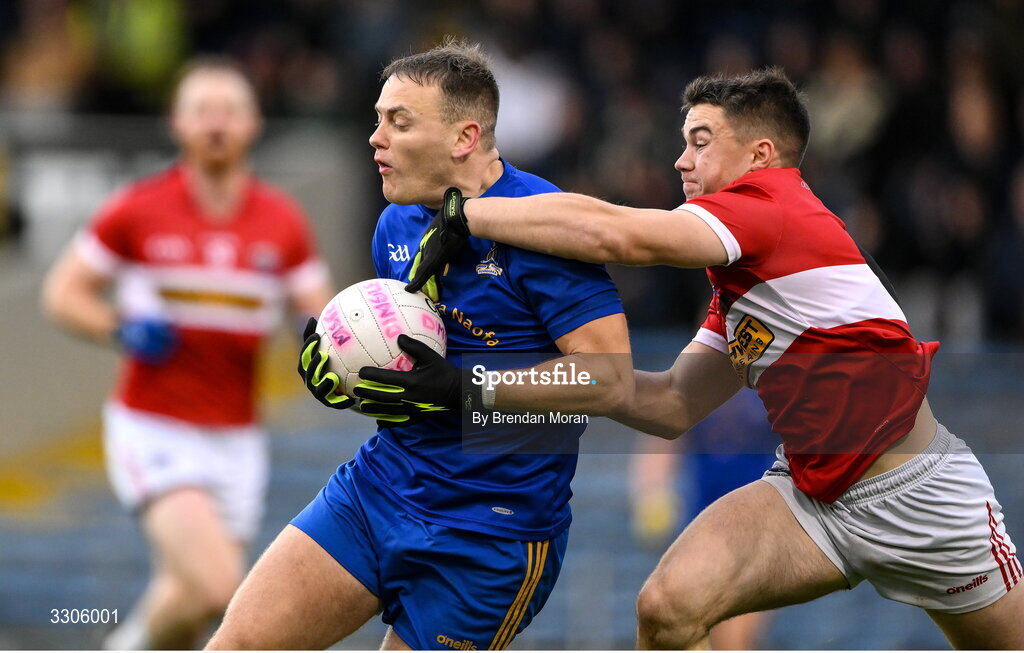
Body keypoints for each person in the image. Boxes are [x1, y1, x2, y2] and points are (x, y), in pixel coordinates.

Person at [400, 67, 1024, 649]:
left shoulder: (774, 205)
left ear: (760, 156)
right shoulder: (748, 287)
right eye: (683, 142)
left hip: (921, 497)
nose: (681, 160)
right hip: (812, 496)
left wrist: (465, 214)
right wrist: (470, 387)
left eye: (700, 141)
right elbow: (667, 404)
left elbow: (619, 233)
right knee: (667, 605)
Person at [205, 40, 631, 650]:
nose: (375, 138)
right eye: (377, 119)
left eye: (398, 123)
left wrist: (465, 391)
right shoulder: (398, 222)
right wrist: (346, 367)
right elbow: (414, 373)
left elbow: (608, 381)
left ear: (464, 137)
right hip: (380, 489)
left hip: (491, 533)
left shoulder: (546, 225)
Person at [41, 57, 333, 650]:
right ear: (177, 124)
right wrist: (118, 326)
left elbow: (319, 317)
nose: (216, 124)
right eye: (202, 111)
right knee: (221, 588)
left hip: (237, 438)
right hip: (155, 426)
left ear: (254, 125)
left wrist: (339, 339)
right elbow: (61, 293)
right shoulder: (137, 208)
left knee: (189, 606)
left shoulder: (282, 222)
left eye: (230, 111)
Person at [629, 388, 777, 650]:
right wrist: (651, 495)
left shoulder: (769, 389)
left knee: (737, 629)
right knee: (702, 624)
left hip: (758, 524)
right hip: (701, 526)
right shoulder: (697, 387)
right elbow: (661, 446)